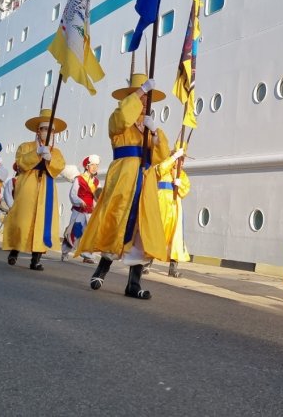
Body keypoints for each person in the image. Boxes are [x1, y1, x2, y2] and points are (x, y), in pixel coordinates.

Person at [76, 73, 170, 299]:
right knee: (116, 221)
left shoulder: (149, 127)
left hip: (144, 181)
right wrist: (140, 91)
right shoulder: (118, 122)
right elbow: (119, 119)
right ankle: (102, 269)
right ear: (131, 98)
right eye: (141, 97)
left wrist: (155, 133)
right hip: (123, 178)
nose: (144, 102)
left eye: (147, 98)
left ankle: (134, 284)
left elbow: (161, 156)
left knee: (141, 228)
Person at [2, 109, 66, 271]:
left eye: (51, 130)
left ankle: (36, 259)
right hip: (28, 185)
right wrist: (36, 153)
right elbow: (21, 163)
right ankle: (14, 250)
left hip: (47, 186)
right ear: (38, 131)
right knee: (23, 219)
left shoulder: (56, 151)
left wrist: (50, 160)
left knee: (43, 221)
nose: (48, 133)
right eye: (45, 129)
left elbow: (60, 167)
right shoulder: (26, 147)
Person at [156, 144, 190, 277]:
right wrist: (173, 157)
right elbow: (159, 169)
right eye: (178, 159)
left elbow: (185, 190)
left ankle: (173, 267)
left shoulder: (182, 175)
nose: (179, 162)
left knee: (176, 236)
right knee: (158, 232)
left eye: (182, 160)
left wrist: (179, 183)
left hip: (175, 207)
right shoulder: (165, 169)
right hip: (161, 204)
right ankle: (147, 263)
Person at [61, 155, 100, 264]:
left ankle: (88, 255)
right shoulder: (79, 179)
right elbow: (73, 194)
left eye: (96, 165)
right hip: (79, 211)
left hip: (90, 211)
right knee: (74, 231)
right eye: (92, 165)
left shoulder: (96, 182)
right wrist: (79, 201)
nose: (95, 167)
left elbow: (98, 196)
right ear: (87, 166)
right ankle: (65, 252)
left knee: (89, 233)